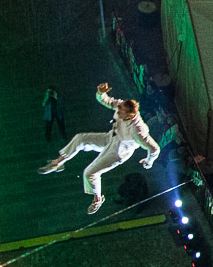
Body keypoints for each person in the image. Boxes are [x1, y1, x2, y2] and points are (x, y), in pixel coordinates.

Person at [39, 83, 160, 214]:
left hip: (118, 152)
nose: (118, 112)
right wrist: (101, 93)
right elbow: (107, 101)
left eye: (120, 112)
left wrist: (148, 162)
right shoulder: (122, 106)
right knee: (81, 138)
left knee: (89, 173)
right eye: (119, 109)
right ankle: (58, 162)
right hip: (110, 138)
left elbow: (154, 149)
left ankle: (97, 199)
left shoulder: (138, 131)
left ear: (129, 116)